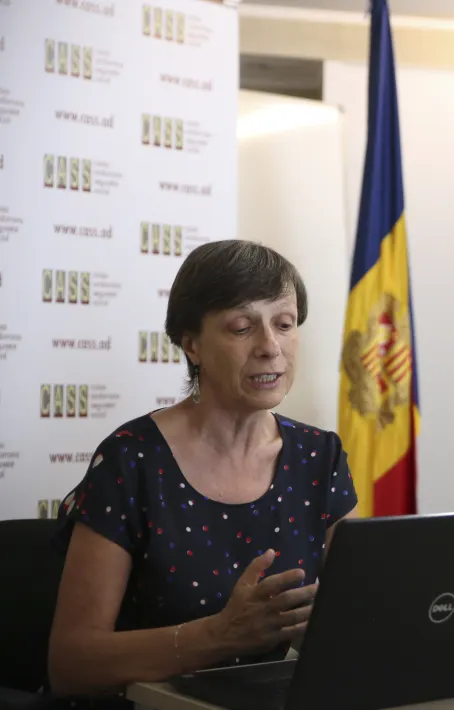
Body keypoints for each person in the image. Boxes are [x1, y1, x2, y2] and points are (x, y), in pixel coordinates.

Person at [48, 241, 359, 703]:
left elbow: (356, 620)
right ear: (192, 345)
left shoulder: (320, 456)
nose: (270, 348)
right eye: (241, 327)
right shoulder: (131, 460)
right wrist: (218, 635)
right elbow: (70, 665)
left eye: (285, 324)